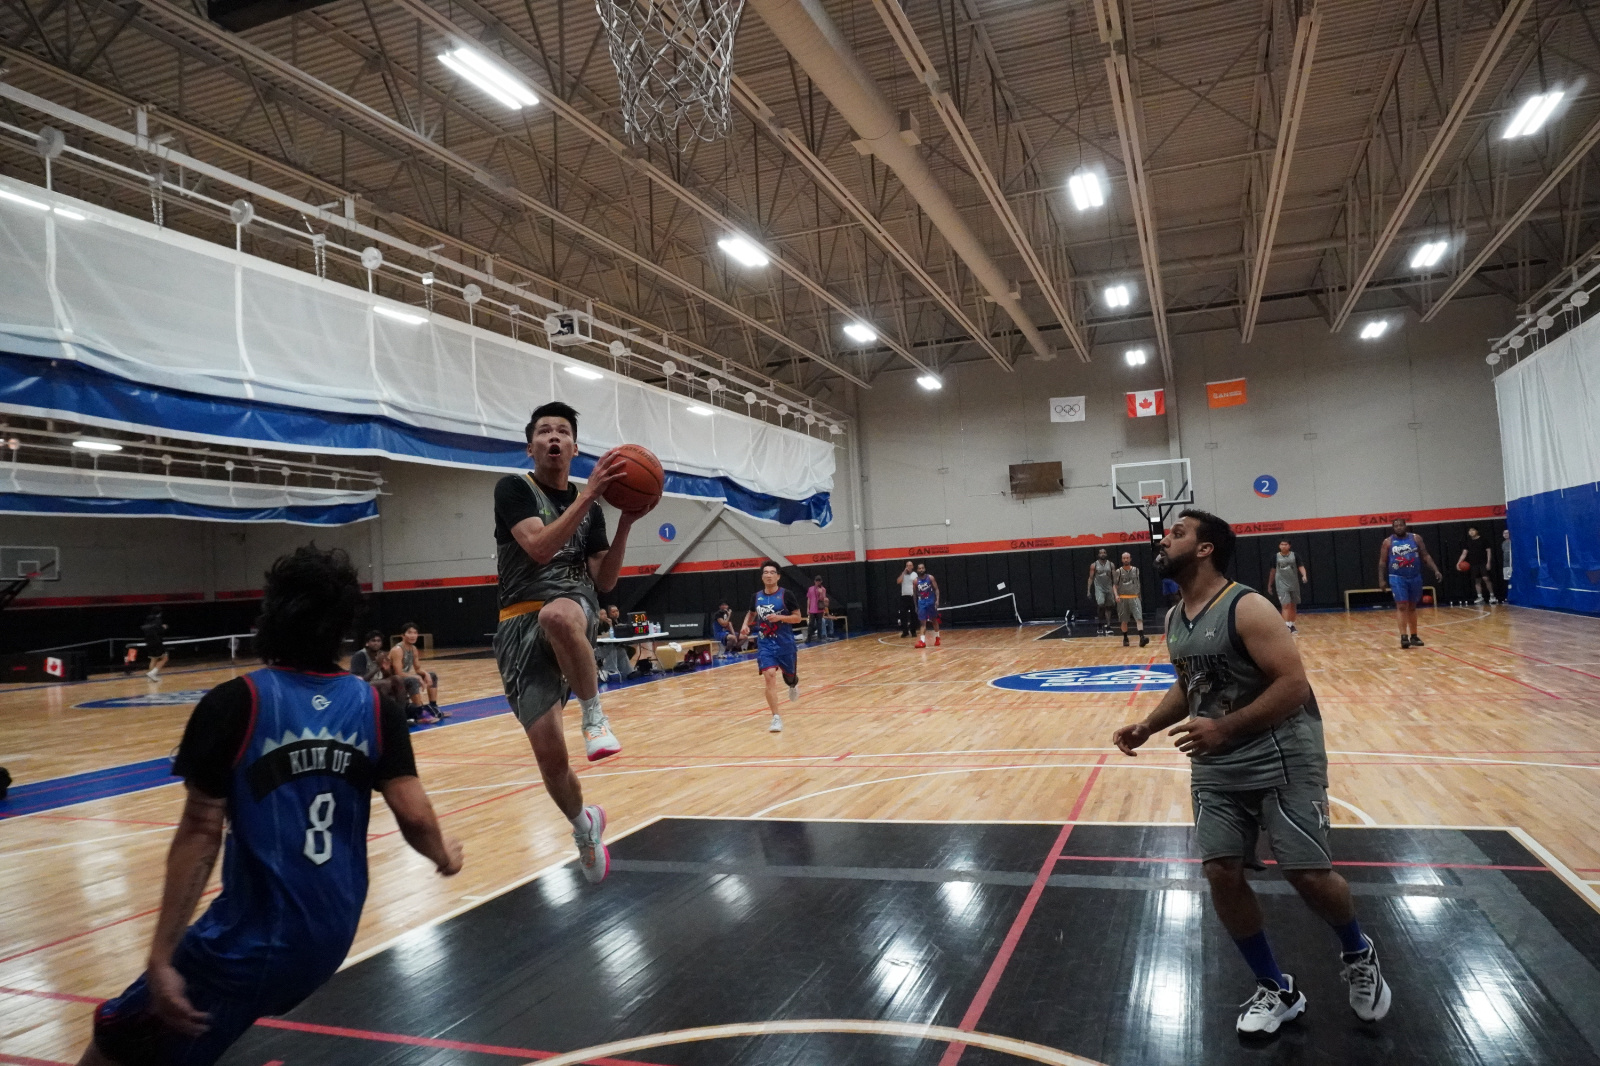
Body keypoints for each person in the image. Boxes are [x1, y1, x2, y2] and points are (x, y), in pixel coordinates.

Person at [79, 545, 462, 1066]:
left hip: (250, 942)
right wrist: (445, 855)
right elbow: (415, 817)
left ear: (272, 614)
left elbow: (201, 833)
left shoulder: (235, 703)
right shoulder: (377, 707)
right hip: (331, 937)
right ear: (344, 623)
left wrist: (162, 955)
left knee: (116, 1042)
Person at [1111, 510, 1390, 1037]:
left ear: (1205, 549)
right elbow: (1191, 684)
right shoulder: (1175, 618)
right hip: (1216, 763)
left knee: (1307, 875)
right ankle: (1275, 987)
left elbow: (1294, 686)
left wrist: (1225, 728)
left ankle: (1358, 952)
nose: (1163, 541)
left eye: (1177, 533)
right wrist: (1148, 725)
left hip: (1281, 754)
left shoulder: (1248, 607)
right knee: (1221, 871)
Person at [492, 401, 651, 884]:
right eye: (544, 431)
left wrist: (626, 521)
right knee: (551, 760)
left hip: (572, 604)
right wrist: (590, 497)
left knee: (558, 614)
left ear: (575, 447)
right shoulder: (513, 489)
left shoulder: (592, 508)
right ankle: (584, 826)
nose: (554, 437)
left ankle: (594, 716)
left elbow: (605, 581)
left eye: (562, 431)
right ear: (531, 447)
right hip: (517, 624)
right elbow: (540, 547)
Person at [740, 561, 802, 733]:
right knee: (769, 675)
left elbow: (797, 617)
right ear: (762, 576)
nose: (768, 575)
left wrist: (780, 618)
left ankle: (793, 684)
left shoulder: (786, 595)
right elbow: (751, 613)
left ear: (778, 576)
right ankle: (776, 717)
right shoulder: (756, 597)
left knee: (790, 677)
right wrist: (745, 625)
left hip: (785, 644)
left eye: (772, 572)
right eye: (765, 572)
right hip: (765, 644)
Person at [1379, 517, 1442, 649]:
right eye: (1396, 526)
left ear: (1405, 526)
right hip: (1397, 577)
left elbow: (1426, 555)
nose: (1399, 528)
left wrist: (1435, 570)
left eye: (1401, 525)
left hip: (1414, 576)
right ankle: (1404, 637)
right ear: (1393, 528)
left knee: (1412, 606)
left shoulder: (1416, 538)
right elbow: (1382, 562)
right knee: (1402, 606)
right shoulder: (1388, 542)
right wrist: (1381, 579)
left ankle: (1414, 635)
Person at [349, 630, 417, 724]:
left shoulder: (382, 655)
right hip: (362, 686)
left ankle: (402, 715)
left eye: (378, 641)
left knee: (397, 679)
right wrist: (378, 667)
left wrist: (386, 669)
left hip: (380, 683)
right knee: (385, 683)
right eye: (373, 640)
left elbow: (389, 676)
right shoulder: (360, 656)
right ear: (367, 643)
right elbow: (360, 681)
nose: (376, 643)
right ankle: (383, 719)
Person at [389, 624, 445, 721]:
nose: (413, 635)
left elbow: (418, 669)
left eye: (415, 633)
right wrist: (417, 677)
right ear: (403, 635)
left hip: (404, 678)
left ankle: (433, 706)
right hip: (393, 680)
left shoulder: (413, 649)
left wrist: (425, 674)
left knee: (432, 675)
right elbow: (398, 673)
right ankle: (420, 712)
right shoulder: (397, 650)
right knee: (413, 680)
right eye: (409, 633)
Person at [1273, 540, 1308, 633]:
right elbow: (1272, 570)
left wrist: (1304, 575)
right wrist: (1270, 583)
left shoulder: (1295, 556)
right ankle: (1285, 626)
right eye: (1282, 544)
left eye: (1285, 544)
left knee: (1293, 605)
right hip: (1281, 584)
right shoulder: (1276, 557)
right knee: (1285, 605)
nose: (1283, 546)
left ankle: (1291, 625)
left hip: (1293, 584)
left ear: (1289, 546)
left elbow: (1301, 566)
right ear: (1279, 546)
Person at [1115, 552, 1149, 647]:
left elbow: (1138, 583)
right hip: (1123, 598)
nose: (1126, 559)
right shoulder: (1118, 571)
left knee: (1139, 618)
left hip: (1134, 597)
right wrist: (1116, 595)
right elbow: (1114, 585)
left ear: (1130, 559)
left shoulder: (1136, 570)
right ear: (1122, 560)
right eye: (1124, 558)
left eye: (1127, 558)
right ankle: (1125, 638)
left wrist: (1139, 595)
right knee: (1124, 620)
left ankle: (1142, 637)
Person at [1458, 527, 1496, 605]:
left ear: (1477, 531)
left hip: (1483, 562)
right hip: (1473, 564)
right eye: (1470, 530)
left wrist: (1488, 562)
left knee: (1486, 578)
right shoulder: (1467, 542)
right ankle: (1480, 597)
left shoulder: (1483, 540)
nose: (1471, 532)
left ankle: (1492, 596)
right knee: (1477, 580)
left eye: (1473, 530)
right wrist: (1458, 563)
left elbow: (1488, 551)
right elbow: (1464, 553)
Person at [1088, 548, 1117, 635]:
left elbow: (1115, 577)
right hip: (1099, 588)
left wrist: (1116, 589)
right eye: (1101, 553)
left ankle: (1108, 626)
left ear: (1106, 554)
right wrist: (1088, 590)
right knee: (1101, 604)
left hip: (1108, 588)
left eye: (1104, 553)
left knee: (1108, 607)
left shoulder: (1111, 564)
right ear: (1098, 555)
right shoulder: (1094, 565)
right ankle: (1100, 624)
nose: (1102, 554)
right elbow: (1091, 578)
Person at [913, 562, 941, 648]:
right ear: (917, 570)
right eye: (919, 568)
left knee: (934, 620)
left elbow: (936, 589)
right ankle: (922, 641)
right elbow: (914, 594)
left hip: (930, 601)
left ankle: (937, 637)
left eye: (922, 568)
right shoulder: (916, 581)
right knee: (922, 622)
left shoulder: (930, 577)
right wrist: (916, 605)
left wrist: (937, 600)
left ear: (925, 569)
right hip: (921, 602)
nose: (921, 569)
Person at [142, 607, 169, 681]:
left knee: (153, 659)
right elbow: (159, 630)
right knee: (165, 658)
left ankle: (151, 677)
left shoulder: (147, 620)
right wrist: (164, 627)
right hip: (156, 641)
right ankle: (152, 673)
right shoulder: (158, 620)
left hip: (148, 641)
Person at [895, 561, 918, 638]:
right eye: (907, 565)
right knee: (903, 614)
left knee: (913, 614)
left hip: (912, 596)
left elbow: (916, 583)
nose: (908, 567)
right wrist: (903, 573)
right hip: (904, 597)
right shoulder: (903, 574)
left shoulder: (914, 574)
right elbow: (898, 581)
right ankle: (905, 631)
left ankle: (913, 631)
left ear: (912, 566)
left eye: (910, 565)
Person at [806, 575, 829, 643]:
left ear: (821, 582)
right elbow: (809, 599)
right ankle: (809, 638)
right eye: (816, 581)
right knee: (811, 624)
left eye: (819, 581)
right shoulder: (810, 589)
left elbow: (823, 599)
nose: (817, 583)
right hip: (812, 609)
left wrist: (821, 593)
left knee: (819, 623)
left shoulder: (823, 589)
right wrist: (808, 608)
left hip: (819, 608)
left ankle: (819, 637)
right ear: (814, 581)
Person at [1501, 529, 1513, 598]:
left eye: (1507, 533)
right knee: (1508, 580)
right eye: (1504, 533)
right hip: (1506, 564)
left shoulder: (1512, 542)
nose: (1506, 534)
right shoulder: (1503, 543)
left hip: (1512, 564)